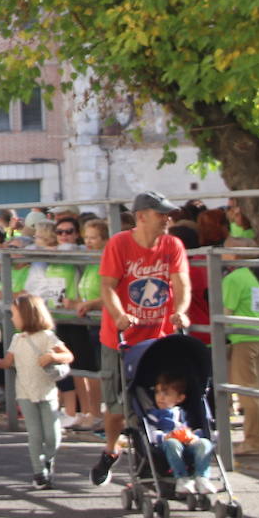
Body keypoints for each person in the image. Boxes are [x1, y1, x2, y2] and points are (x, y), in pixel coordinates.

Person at [91, 191, 191, 487]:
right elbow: (107, 286)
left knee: (156, 401)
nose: (167, 220)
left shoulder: (172, 244)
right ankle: (111, 451)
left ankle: (152, 463)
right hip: (120, 337)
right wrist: (120, 314)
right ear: (142, 216)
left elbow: (181, 282)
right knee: (117, 407)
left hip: (158, 336)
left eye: (168, 214)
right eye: (162, 215)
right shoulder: (119, 244)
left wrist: (181, 312)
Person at [0, 292, 73, 489]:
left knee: (52, 435)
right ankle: (39, 471)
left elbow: (68, 356)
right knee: (35, 434)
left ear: (27, 315)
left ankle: (48, 459)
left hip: (46, 391)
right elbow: (8, 362)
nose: (12, 318)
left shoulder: (47, 337)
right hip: (25, 392)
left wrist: (52, 357)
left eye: (15, 314)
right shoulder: (17, 339)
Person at [221, 244, 259, 455]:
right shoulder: (250, 275)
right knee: (255, 389)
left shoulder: (234, 278)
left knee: (247, 391)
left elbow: (226, 311)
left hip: (244, 337)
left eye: (226, 248)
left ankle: (254, 441)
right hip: (257, 334)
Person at [147, 373, 216, 493]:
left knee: (205, 443)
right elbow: (151, 433)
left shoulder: (183, 413)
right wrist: (165, 436)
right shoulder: (154, 414)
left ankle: (202, 477)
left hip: (187, 445)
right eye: (157, 392)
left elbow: (193, 429)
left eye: (166, 394)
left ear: (179, 398)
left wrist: (194, 436)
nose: (160, 397)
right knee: (172, 443)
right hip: (166, 446)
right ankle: (182, 478)